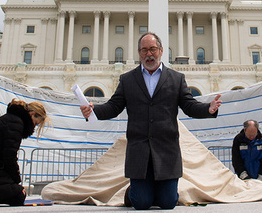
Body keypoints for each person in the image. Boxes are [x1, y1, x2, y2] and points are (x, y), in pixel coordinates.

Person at [80, 32, 222, 210]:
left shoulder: (176, 79)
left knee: (168, 203)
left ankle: (152, 191)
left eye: (153, 49)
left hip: (166, 151)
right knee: (141, 204)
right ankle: (135, 191)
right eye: (145, 50)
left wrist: (208, 108)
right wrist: (93, 111)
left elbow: (189, 105)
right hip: (139, 151)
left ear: (161, 51)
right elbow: (114, 106)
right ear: (139, 53)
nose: (149, 54)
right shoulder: (127, 79)